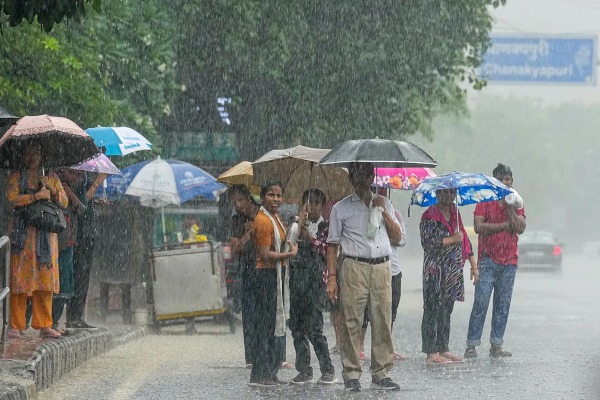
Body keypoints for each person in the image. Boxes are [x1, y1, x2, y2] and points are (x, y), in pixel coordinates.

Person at [325, 162, 402, 392]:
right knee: (352, 320)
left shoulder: (384, 202)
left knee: (382, 320)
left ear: (372, 177)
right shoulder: (341, 208)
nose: (363, 180)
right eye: (358, 175)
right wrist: (331, 277)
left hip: (381, 267)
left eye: (367, 174)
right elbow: (332, 245)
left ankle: (381, 372)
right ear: (351, 178)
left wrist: (383, 211)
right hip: (353, 265)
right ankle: (351, 373)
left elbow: (397, 238)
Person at [7, 142, 68, 339]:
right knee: (19, 280)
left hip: (46, 236)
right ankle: (16, 325)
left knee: (45, 281)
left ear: (42, 155)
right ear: (24, 155)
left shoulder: (51, 176)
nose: (33, 157)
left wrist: (50, 188)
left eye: (36, 153)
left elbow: (65, 202)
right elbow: (11, 199)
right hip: (23, 235)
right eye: (29, 153)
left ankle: (44, 325)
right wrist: (35, 196)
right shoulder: (17, 176)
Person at [465, 163, 526, 358]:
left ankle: (496, 344)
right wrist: (504, 225)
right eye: (501, 180)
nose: (505, 183)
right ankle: (472, 344)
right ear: (494, 182)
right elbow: (478, 227)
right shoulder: (484, 198)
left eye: (507, 179)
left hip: (509, 261)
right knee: (481, 302)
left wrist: (509, 210)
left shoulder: (516, 202)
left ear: (512, 181)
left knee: (503, 304)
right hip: (488, 259)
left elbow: (521, 227)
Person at [248, 179, 298, 387]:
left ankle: (268, 370)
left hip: (274, 276)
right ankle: (260, 374)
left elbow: (283, 240)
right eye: (271, 195)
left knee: (271, 325)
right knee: (264, 326)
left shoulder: (275, 217)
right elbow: (265, 255)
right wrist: (289, 254)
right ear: (263, 197)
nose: (276, 199)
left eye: (278, 195)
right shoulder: (263, 221)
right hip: (265, 277)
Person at [420, 188, 477, 364]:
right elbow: (428, 243)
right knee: (432, 309)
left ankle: (443, 348)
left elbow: (464, 240)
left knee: (446, 310)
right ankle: (431, 352)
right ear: (437, 194)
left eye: (452, 193)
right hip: (435, 271)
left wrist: (474, 266)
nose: (449, 197)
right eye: (445, 193)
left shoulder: (455, 212)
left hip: (452, 270)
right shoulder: (430, 215)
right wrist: (452, 239)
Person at [288, 188, 337, 385]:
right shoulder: (298, 223)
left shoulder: (326, 227)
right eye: (309, 202)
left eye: (316, 203)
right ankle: (304, 369)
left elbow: (327, 250)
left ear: (323, 206)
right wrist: (299, 222)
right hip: (297, 279)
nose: (312, 207)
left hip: (315, 281)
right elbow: (287, 242)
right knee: (297, 327)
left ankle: (327, 369)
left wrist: (309, 238)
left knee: (314, 327)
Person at [66, 172, 107, 329]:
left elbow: (87, 200)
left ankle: (77, 315)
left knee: (84, 276)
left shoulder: (83, 176)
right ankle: (73, 316)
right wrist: (98, 181)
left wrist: (96, 201)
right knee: (78, 274)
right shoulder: (76, 177)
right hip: (79, 233)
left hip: (88, 232)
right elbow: (81, 202)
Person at [228, 184, 261, 368]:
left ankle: (273, 354)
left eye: (240, 200)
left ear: (248, 198)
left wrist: (257, 223)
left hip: (266, 265)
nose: (238, 205)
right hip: (248, 268)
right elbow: (235, 247)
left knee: (267, 313)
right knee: (249, 313)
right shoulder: (236, 220)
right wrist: (249, 232)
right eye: (234, 202)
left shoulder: (263, 212)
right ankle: (251, 357)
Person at [52, 169, 86, 330]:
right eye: (73, 173)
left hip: (68, 243)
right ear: (64, 171)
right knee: (49, 284)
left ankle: (54, 321)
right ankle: (45, 322)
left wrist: (71, 194)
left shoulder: (76, 188)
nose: (77, 178)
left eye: (80, 175)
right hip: (52, 242)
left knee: (65, 285)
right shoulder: (52, 181)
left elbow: (81, 210)